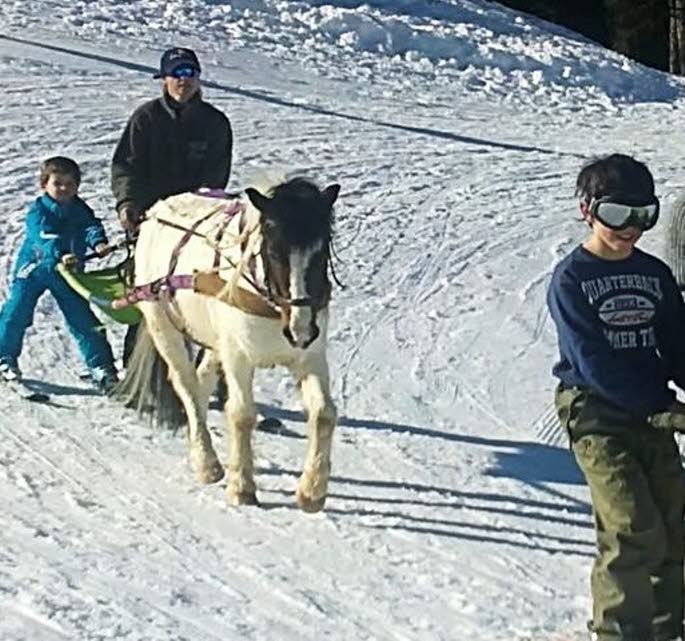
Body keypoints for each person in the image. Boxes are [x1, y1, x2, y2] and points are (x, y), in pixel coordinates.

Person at [548, 153, 685, 641]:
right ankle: (620, 633)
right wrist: (661, 407)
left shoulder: (655, 275)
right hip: (596, 413)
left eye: (642, 216)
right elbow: (593, 362)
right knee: (631, 524)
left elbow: (677, 345)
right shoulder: (571, 279)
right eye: (616, 215)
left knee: (673, 523)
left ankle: (668, 629)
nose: (629, 230)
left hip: (651, 412)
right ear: (587, 211)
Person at [111, 46, 233, 361]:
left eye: (190, 73)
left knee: (203, 293)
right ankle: (137, 364)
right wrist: (128, 204)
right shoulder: (146, 118)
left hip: (195, 223)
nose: (184, 80)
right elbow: (126, 166)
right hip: (151, 220)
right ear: (164, 78)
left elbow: (216, 177)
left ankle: (212, 373)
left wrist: (198, 212)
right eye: (177, 74)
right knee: (148, 290)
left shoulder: (215, 123)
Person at [0, 156, 118, 392]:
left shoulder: (80, 208)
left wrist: (98, 243)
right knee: (16, 310)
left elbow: (90, 226)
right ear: (44, 184)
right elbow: (43, 235)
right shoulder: (38, 210)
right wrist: (62, 252)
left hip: (68, 273)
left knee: (82, 319)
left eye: (70, 183)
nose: (64, 188)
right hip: (34, 269)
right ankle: (5, 357)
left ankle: (101, 366)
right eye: (58, 183)